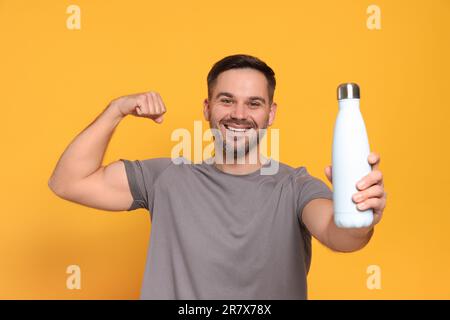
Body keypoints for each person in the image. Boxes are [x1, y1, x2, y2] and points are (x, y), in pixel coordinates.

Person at [48, 54, 387, 299]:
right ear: (207, 108)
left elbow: (341, 235)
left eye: (254, 103)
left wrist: (361, 212)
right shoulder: (166, 179)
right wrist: (116, 109)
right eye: (227, 101)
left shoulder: (295, 186)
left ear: (271, 114)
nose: (239, 114)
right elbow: (68, 182)